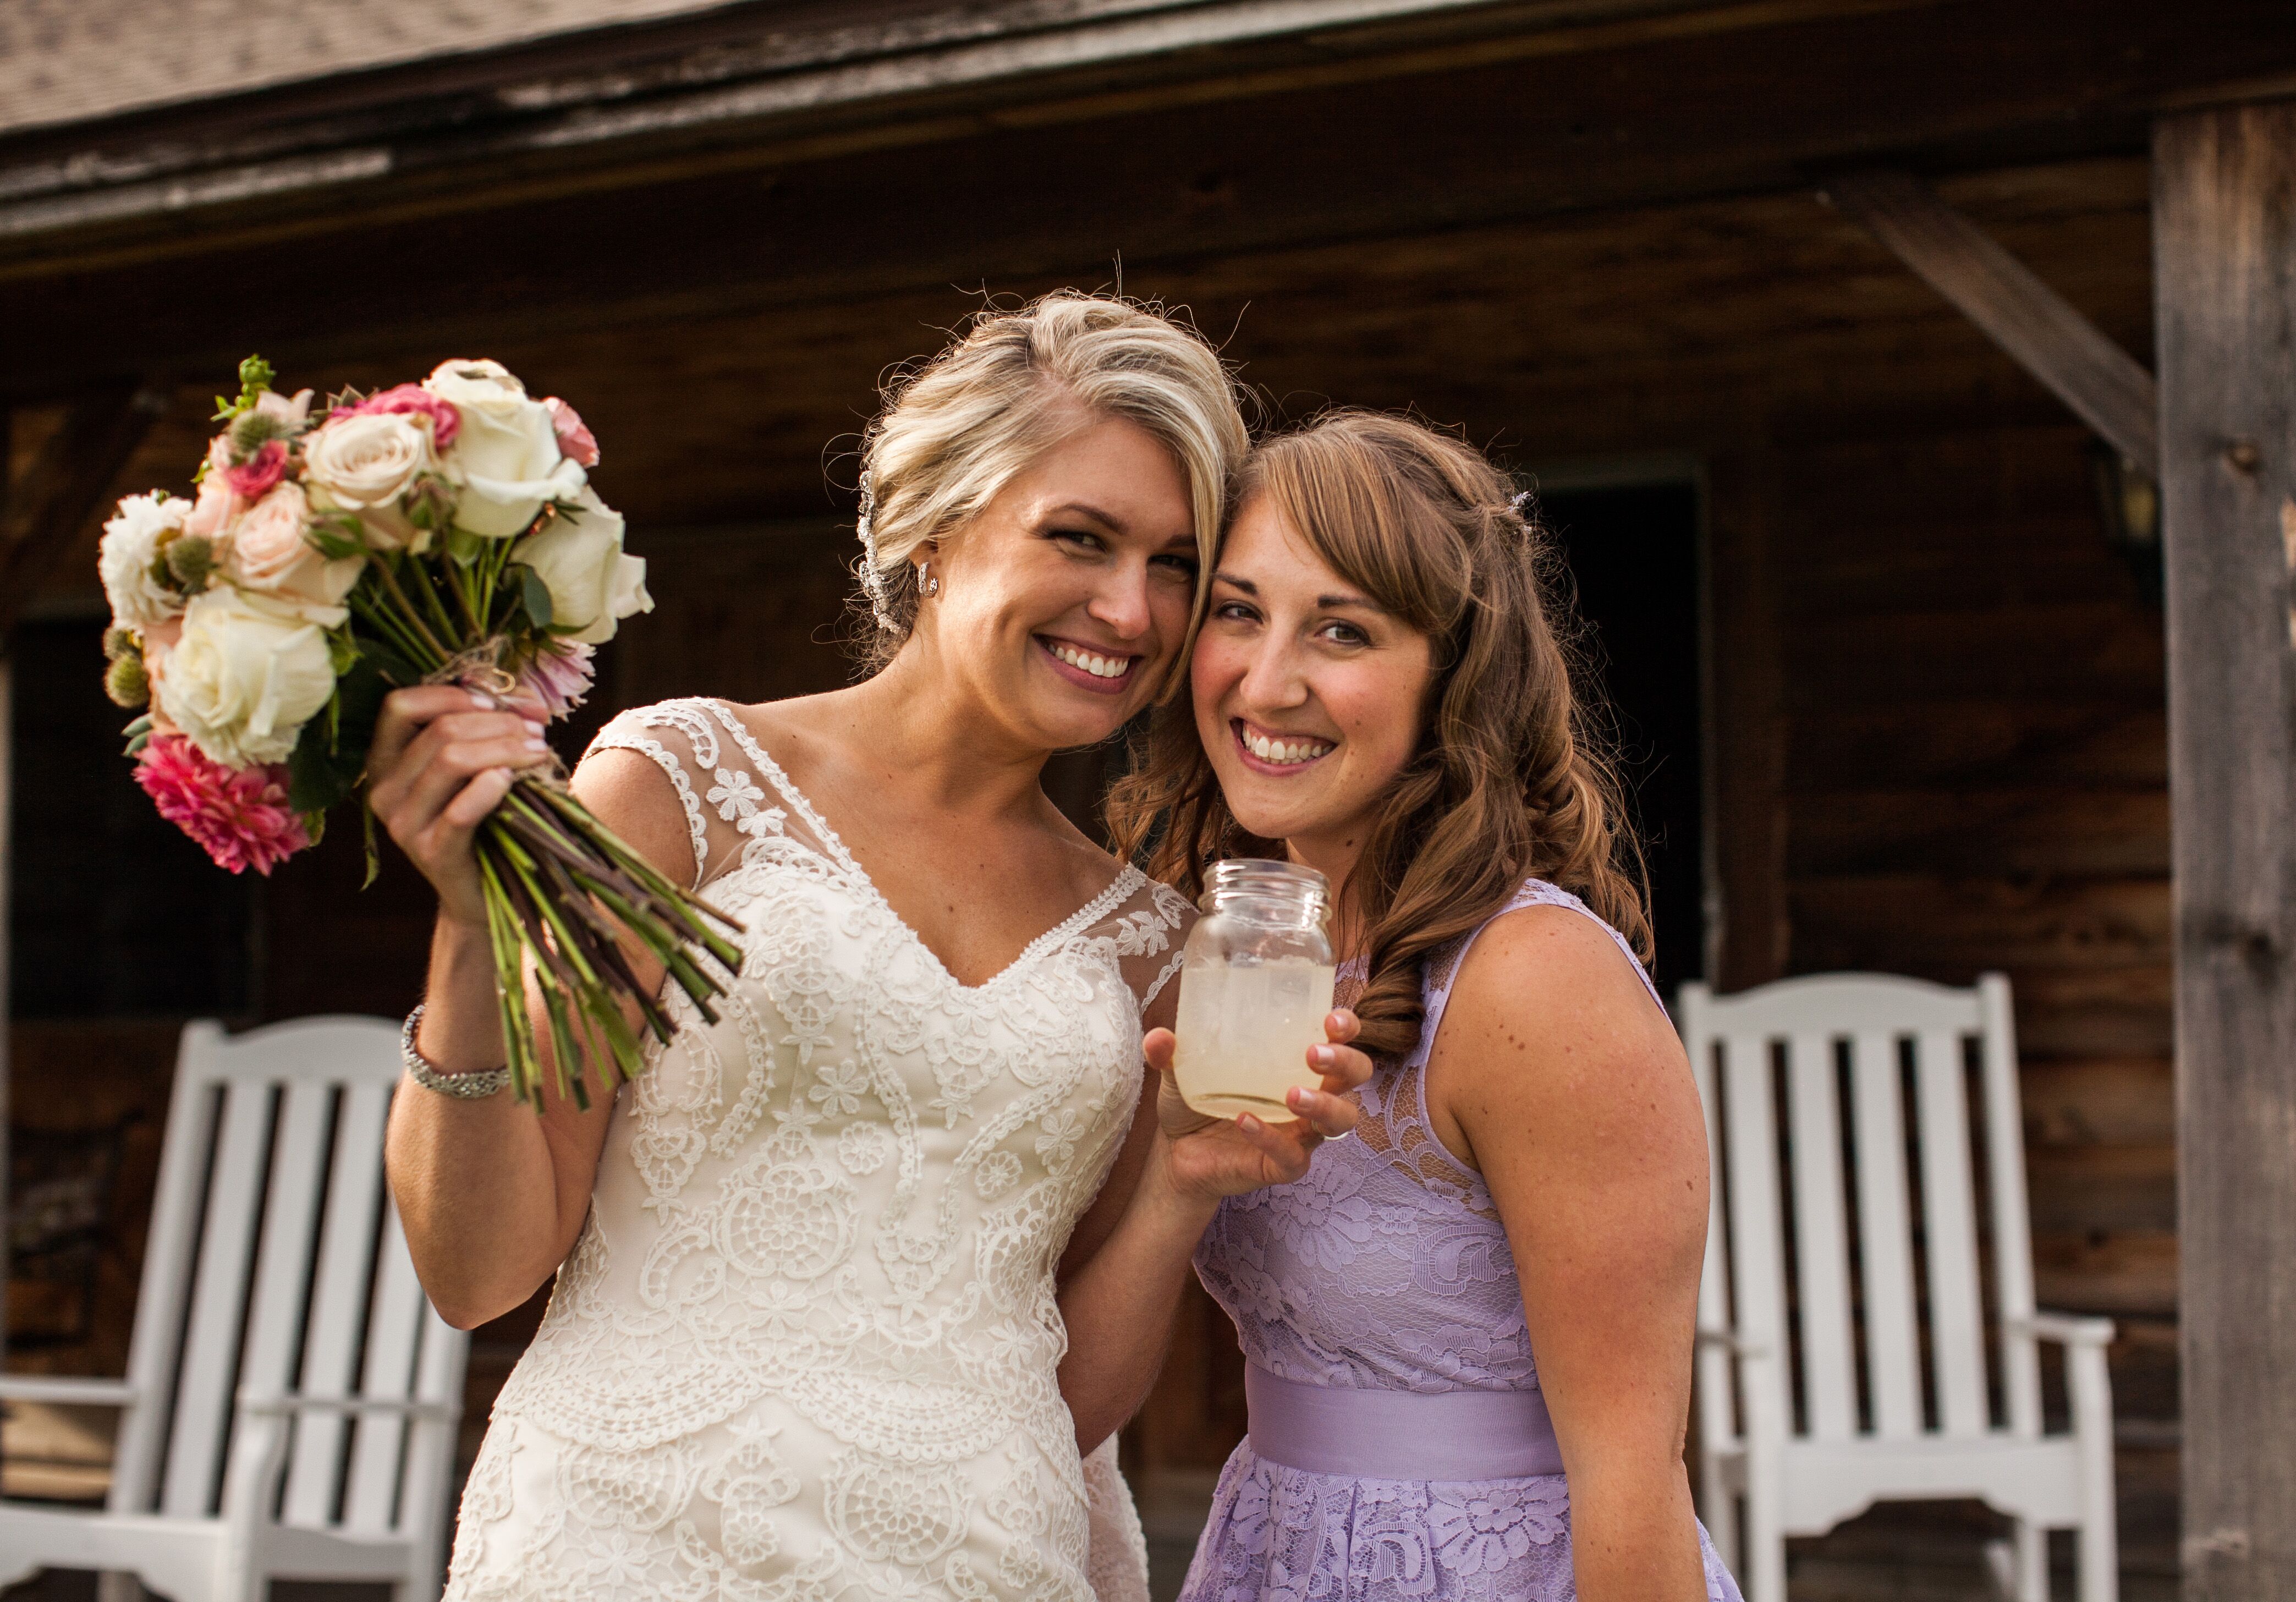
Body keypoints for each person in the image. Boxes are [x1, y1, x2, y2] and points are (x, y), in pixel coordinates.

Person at [367, 293, 1372, 1602]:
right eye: (1082, 537)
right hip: (626, 1542)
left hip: (981, 1554)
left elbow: (1066, 1396)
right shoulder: (679, 786)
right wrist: (470, 927)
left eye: (1175, 566)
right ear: (933, 532)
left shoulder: (1151, 941)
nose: (1131, 609)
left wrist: (1185, 1181)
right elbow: (478, 1270)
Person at [1096, 411, 1742, 1600]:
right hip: (1268, 1556)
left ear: (1456, 676)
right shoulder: (1242, 938)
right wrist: (1181, 1177)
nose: (1267, 678)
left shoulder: (1535, 977)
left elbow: (1632, 1477)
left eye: (1341, 629)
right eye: (1239, 611)